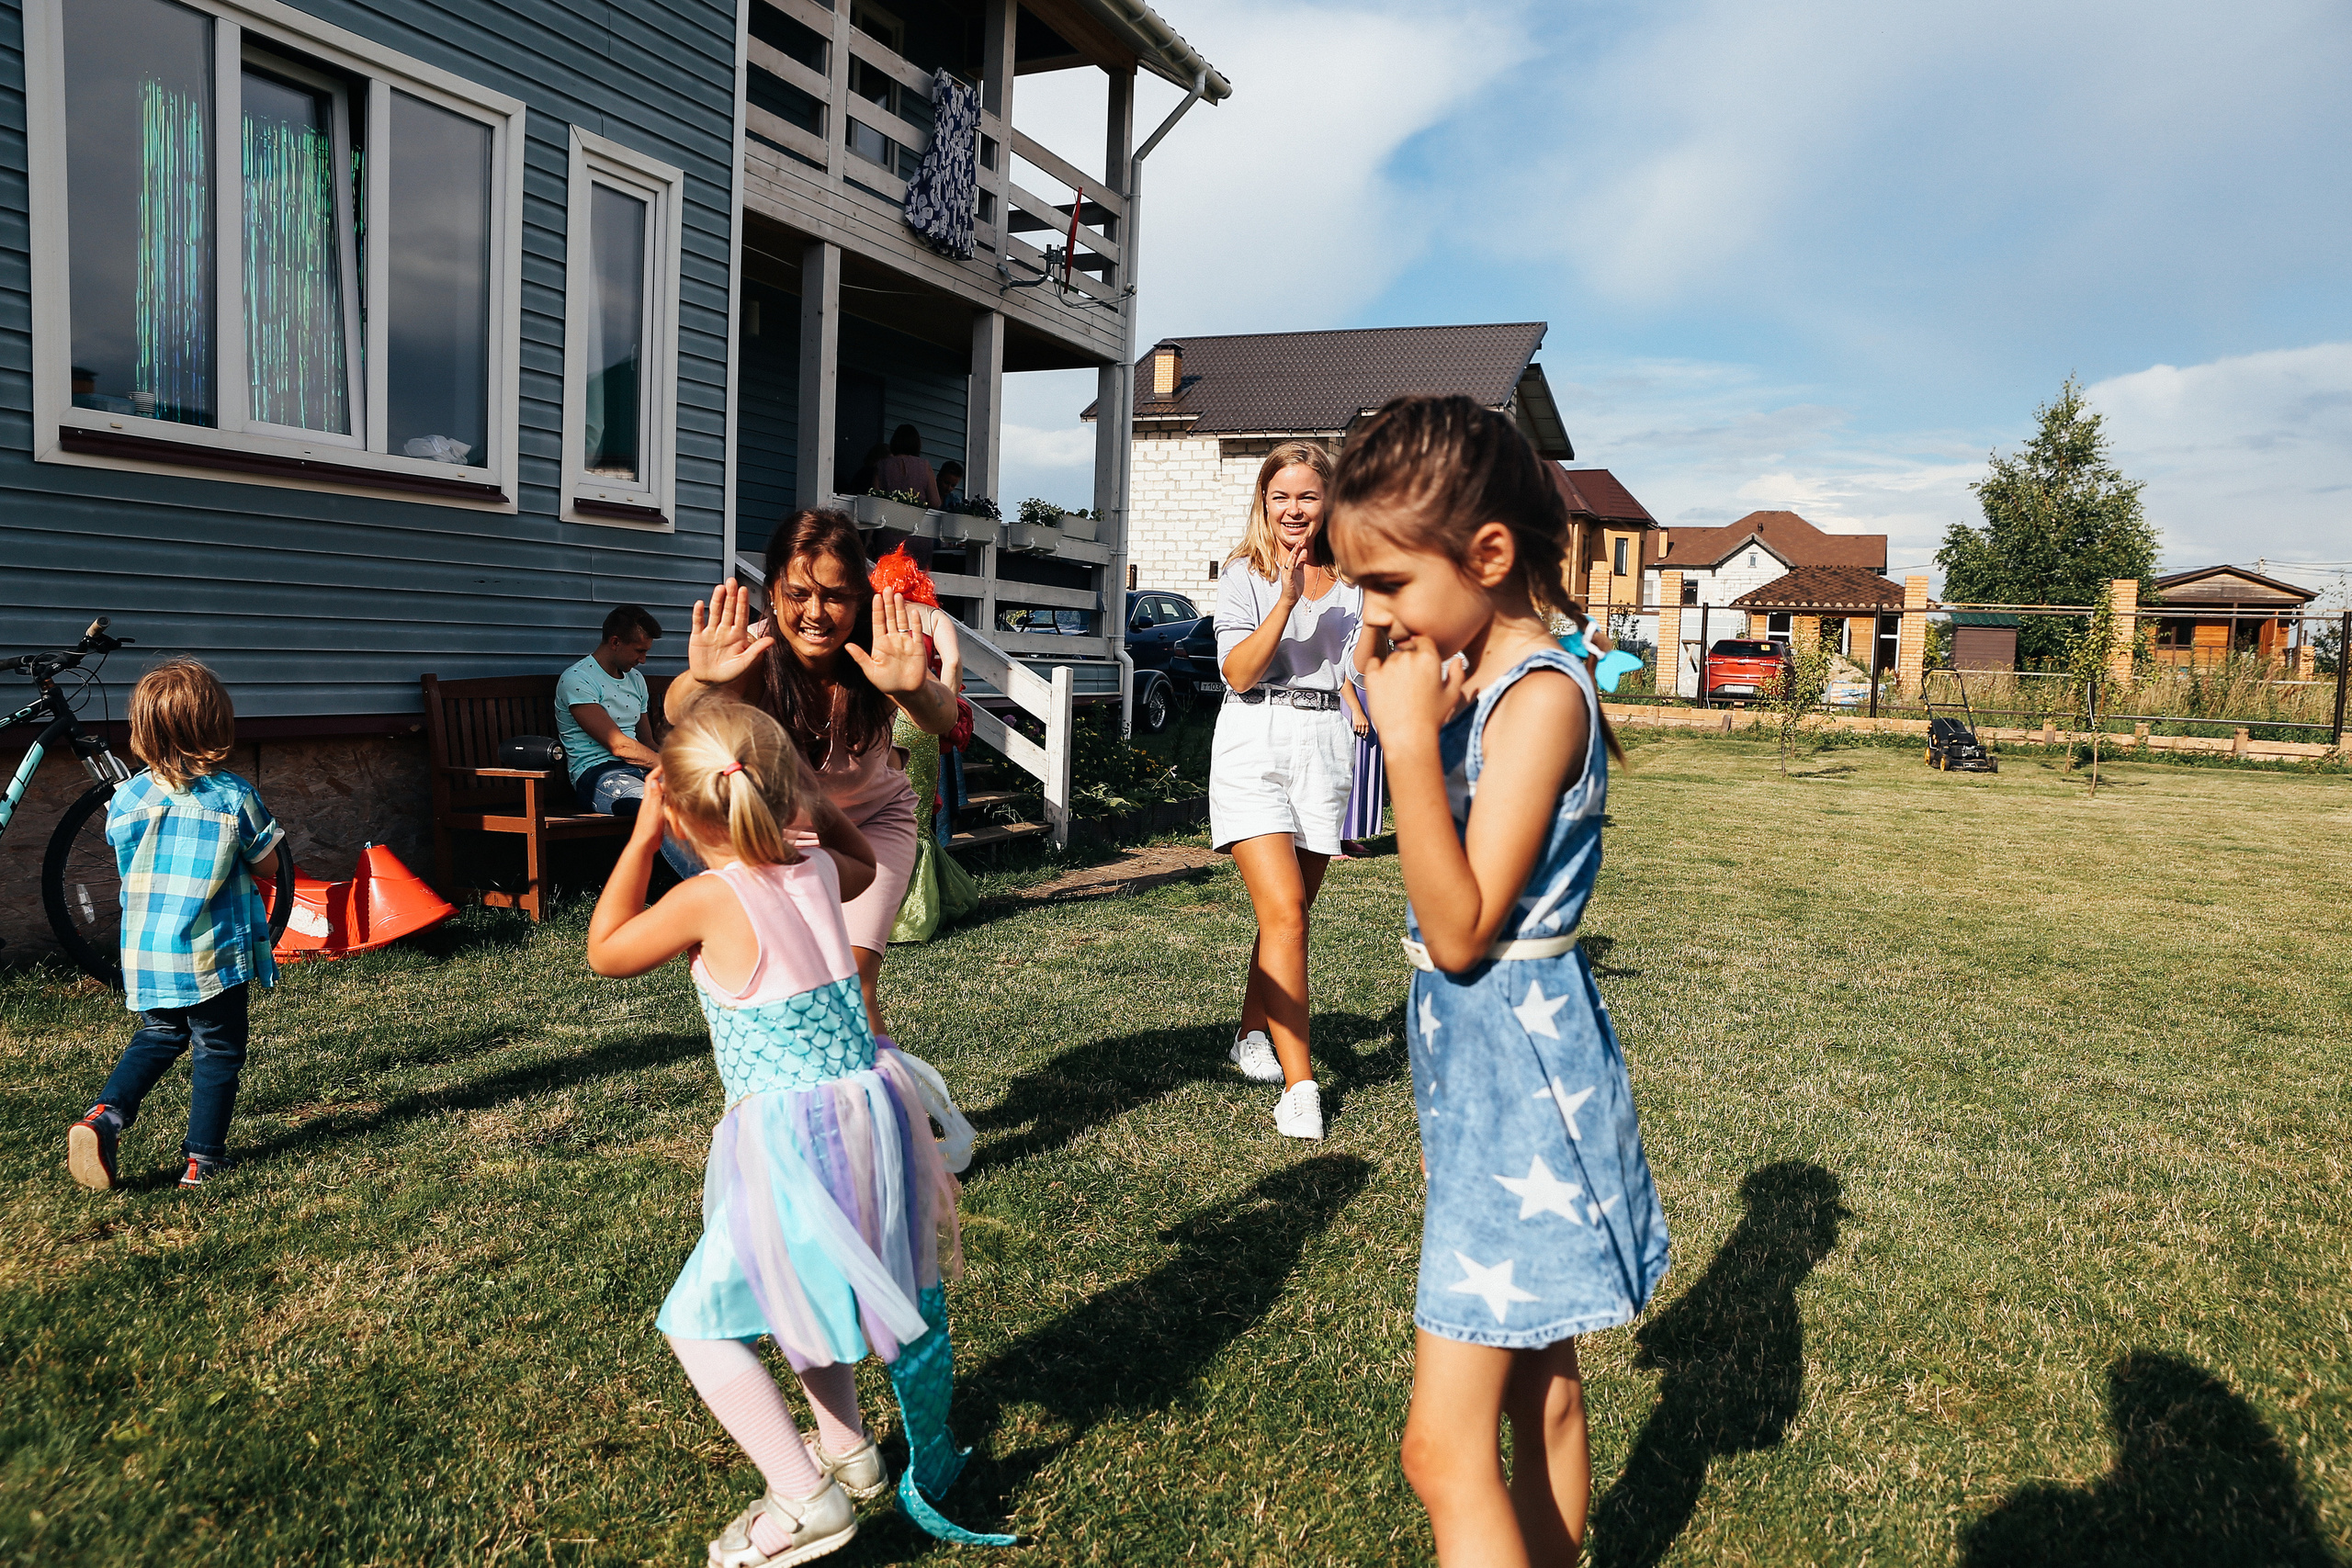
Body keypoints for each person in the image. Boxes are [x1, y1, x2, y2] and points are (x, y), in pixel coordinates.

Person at [1333, 395, 1670, 1567]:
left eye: (1384, 584)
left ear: (1486, 555)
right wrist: (1403, 725)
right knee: (1542, 1390)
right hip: (1491, 1081)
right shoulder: (1480, 676)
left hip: (1519, 1079)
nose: (1367, 615)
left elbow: (1463, 926)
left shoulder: (1537, 701)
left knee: (1440, 1450)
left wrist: (1411, 744)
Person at [583, 699, 978, 1566]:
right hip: (864, 1120)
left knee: (699, 1322)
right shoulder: (812, 863)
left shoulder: (704, 898)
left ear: (684, 809)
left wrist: (643, 835)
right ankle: (848, 1448)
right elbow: (868, 859)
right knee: (798, 1294)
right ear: (783, 789)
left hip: (793, 1143)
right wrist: (809, 798)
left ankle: (807, 1500)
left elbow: (604, 948)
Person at [666, 510, 963, 1040]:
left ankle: (880, 1110)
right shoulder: (752, 650)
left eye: (836, 595)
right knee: (788, 983)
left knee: (855, 982)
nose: (816, 613)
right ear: (775, 591)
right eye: (799, 593)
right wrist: (701, 678)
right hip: (784, 833)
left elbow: (940, 717)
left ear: (858, 597)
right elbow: (676, 710)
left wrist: (916, 688)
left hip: (874, 824)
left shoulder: (879, 647)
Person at [68, 660, 285, 1191]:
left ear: (143, 731)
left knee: (160, 1034)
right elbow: (270, 865)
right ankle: (202, 1159)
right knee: (219, 1047)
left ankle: (106, 1117)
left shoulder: (127, 798)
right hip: (211, 956)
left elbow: (127, 862)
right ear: (217, 726)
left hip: (148, 954)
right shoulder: (233, 797)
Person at [1208, 439, 1363, 1141]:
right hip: (1253, 741)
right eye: (1281, 496)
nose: (1294, 508)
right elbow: (1239, 673)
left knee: (1284, 917)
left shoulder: (1360, 580)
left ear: (1328, 500)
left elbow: (1370, 665)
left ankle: (1250, 1034)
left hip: (1324, 745)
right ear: (1264, 502)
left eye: (1307, 495)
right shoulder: (1245, 573)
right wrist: (1288, 600)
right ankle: (1301, 1087)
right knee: (1289, 913)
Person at [1338, 680, 1384, 857]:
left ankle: (1345, 836)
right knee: (1346, 770)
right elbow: (1340, 672)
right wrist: (1356, 710)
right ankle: (1332, 839)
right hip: (1350, 703)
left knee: (1360, 772)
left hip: (1370, 701)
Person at [870, 423, 941, 506]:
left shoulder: (882, 466)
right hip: (917, 517)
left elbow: (875, 498)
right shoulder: (924, 466)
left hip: (888, 517)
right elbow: (935, 503)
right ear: (917, 444)